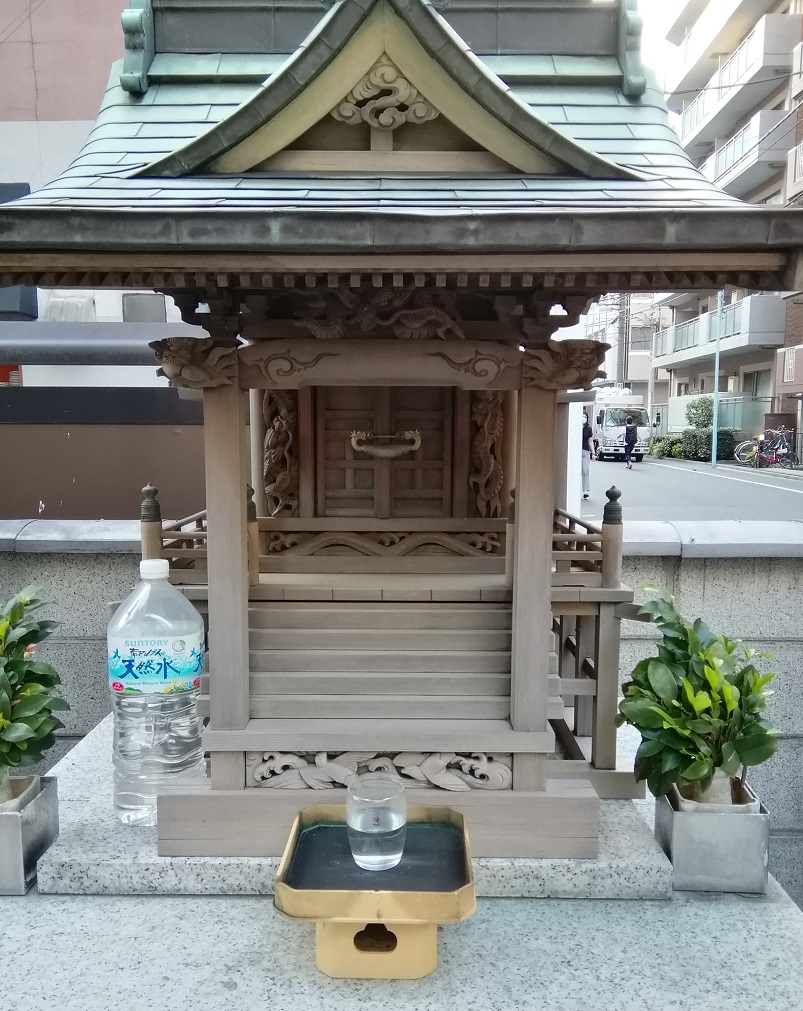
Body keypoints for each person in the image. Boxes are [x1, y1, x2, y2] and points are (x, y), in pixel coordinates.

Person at [581, 411, 595, 498]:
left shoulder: (588, 428)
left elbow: (590, 441)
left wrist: (593, 453)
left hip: (585, 451)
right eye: (582, 416)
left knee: (585, 470)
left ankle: (585, 490)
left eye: (585, 417)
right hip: (575, 451)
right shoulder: (575, 427)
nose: (583, 418)